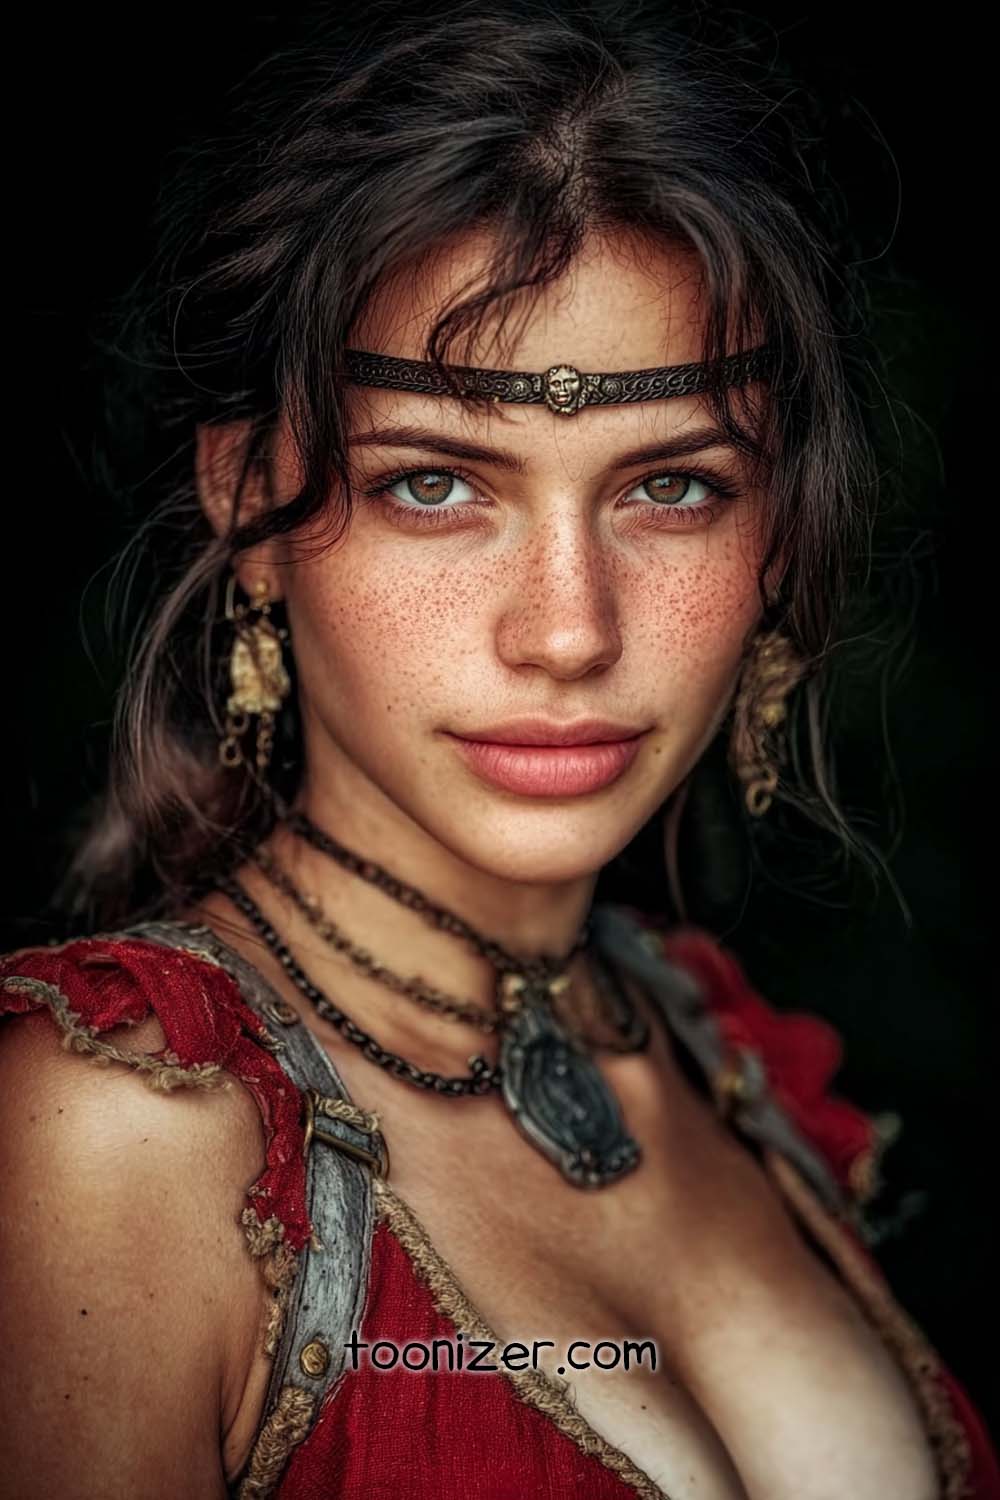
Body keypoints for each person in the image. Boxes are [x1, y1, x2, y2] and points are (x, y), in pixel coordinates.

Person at [1, 3, 996, 1497]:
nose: (568, 633)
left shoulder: (712, 1061)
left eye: (670, 488)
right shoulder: (121, 1138)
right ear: (250, 506)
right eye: (433, 488)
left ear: (781, 534)